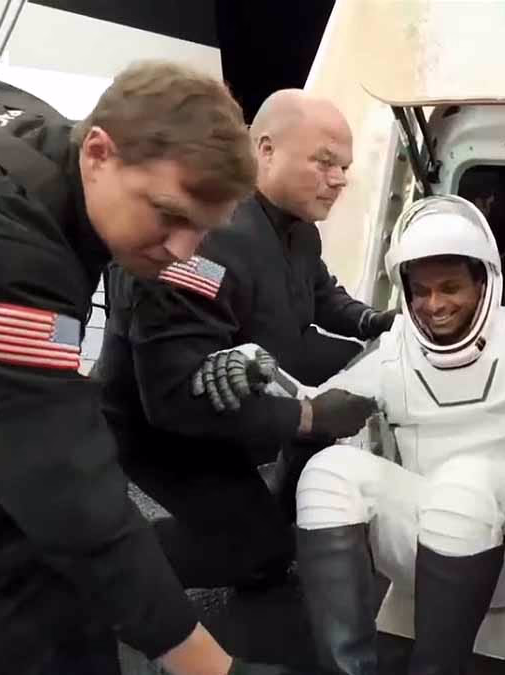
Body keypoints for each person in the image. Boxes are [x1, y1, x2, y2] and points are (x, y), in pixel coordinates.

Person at [0, 64, 301, 675]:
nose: (182, 250)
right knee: (33, 535)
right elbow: (62, 482)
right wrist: (210, 666)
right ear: (98, 152)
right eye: (169, 214)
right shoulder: (3, 250)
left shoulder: (23, 135)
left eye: (202, 231)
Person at [194, 194, 505, 675]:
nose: (434, 305)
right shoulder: (393, 352)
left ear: (484, 281)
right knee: (327, 472)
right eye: (421, 291)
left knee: (464, 481)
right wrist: (256, 368)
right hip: (420, 552)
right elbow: (315, 409)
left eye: (450, 287)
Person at [93, 89, 392, 593]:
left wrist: (375, 323)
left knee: (353, 380)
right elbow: (173, 401)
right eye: (324, 162)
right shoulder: (203, 240)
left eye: (344, 167)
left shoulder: (299, 232)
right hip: (164, 427)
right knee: (255, 552)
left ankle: (278, 520)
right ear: (266, 150)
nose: (340, 179)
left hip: (245, 382)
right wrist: (309, 416)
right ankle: (84, 568)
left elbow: (321, 292)